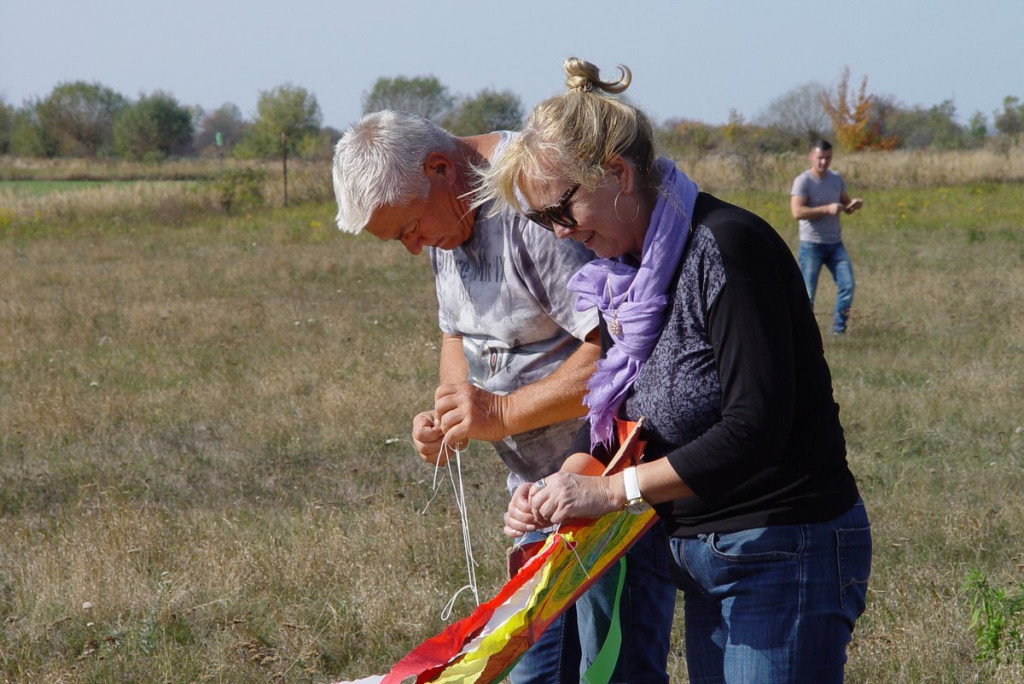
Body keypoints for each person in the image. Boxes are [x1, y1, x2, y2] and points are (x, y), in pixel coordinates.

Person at [479, 58, 873, 684]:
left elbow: (754, 430)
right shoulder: (620, 280)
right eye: (541, 223)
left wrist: (610, 493)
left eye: (559, 212)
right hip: (703, 555)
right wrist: (561, 486)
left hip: (783, 549)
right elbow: (636, 429)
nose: (559, 234)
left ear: (615, 173)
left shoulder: (727, 248)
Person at [331, 110, 675, 684]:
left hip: (607, 493)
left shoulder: (532, 204)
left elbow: (621, 353)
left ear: (440, 168)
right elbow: (455, 331)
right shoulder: (448, 208)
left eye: (411, 228)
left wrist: (501, 413)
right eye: (400, 239)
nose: (416, 249)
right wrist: (451, 410)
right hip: (533, 503)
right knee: (527, 673)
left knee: (613, 671)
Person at [790, 139, 864, 335]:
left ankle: (838, 330)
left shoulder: (836, 179)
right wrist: (826, 209)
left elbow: (844, 203)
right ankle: (803, 334)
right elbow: (797, 212)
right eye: (820, 158)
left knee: (847, 285)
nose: (824, 163)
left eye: (828, 158)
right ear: (811, 157)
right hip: (811, 244)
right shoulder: (803, 181)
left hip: (835, 244)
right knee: (808, 294)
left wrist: (853, 205)